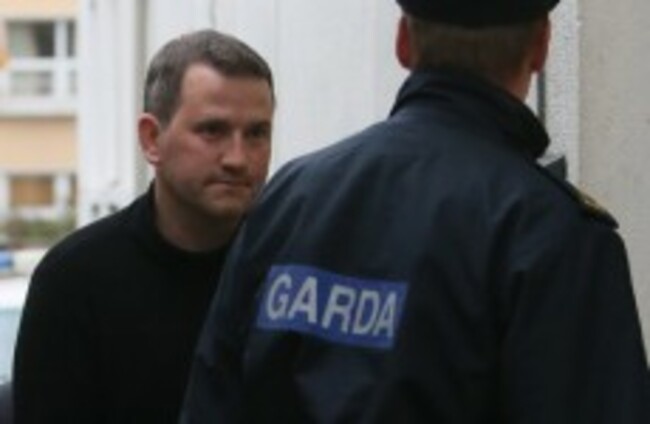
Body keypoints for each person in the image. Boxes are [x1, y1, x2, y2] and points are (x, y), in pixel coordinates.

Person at [181, 1, 650, 423]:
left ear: (403, 42)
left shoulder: (291, 199)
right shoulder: (551, 233)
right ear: (541, 46)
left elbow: (212, 402)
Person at [13, 29, 275, 423]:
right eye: (212, 130)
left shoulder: (295, 269)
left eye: (257, 133)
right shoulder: (75, 280)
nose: (238, 158)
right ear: (152, 139)